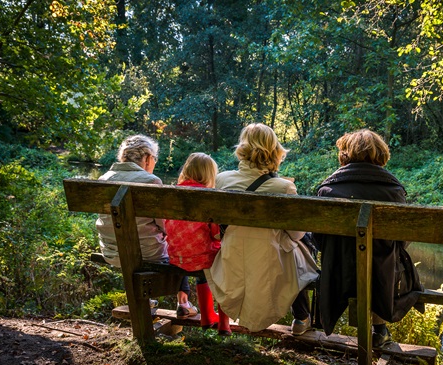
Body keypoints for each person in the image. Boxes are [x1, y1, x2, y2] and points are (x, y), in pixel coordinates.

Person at [314, 129, 424, 347]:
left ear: (345, 155)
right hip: (382, 276)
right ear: (381, 155)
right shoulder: (393, 192)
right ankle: (380, 331)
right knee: (386, 260)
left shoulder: (328, 190)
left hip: (338, 273)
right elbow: (401, 241)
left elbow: (319, 240)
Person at [205, 123, 319, 333]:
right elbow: (297, 234)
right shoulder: (284, 187)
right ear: (274, 151)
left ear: (242, 148)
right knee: (303, 248)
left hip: (233, 259)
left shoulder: (221, 180)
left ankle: (301, 318)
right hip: (270, 264)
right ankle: (302, 318)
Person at [95, 134, 195, 313]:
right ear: (148, 158)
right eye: (154, 159)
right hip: (146, 253)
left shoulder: (104, 178)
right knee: (178, 248)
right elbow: (164, 225)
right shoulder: (151, 182)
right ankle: (183, 301)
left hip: (112, 250)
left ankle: (148, 302)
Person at [165, 153, 231, 335]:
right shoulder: (208, 197)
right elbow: (216, 235)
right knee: (221, 261)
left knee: (204, 258)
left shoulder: (171, 193)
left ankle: (207, 317)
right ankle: (224, 323)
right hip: (202, 259)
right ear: (210, 174)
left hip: (176, 256)